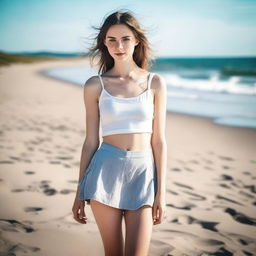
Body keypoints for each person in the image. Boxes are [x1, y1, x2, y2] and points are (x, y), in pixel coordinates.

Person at [72, 9, 167, 256]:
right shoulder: (95, 85)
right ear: (104, 43)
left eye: (125, 39)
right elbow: (90, 142)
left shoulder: (154, 82)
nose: (119, 46)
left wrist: (161, 193)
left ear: (136, 40)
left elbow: (159, 141)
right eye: (112, 39)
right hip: (105, 171)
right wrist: (79, 192)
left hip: (143, 173)